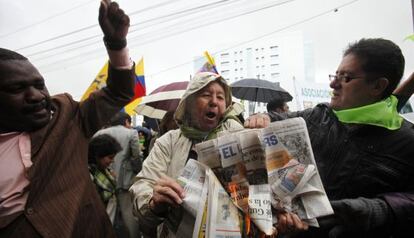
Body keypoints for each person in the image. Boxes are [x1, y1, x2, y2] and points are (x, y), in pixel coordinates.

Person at [245, 38, 414, 237]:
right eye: (335, 74)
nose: (333, 83)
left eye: (346, 77)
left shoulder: (407, 142)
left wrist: (371, 209)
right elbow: (279, 119)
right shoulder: (318, 116)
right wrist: (262, 117)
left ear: (377, 86)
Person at [0, 1, 135, 237]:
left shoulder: (67, 117)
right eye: (18, 88)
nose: (36, 96)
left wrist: (117, 44)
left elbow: (118, 92)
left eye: (39, 85)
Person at [129, 72, 244, 237]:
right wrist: (153, 203)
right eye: (206, 95)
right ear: (188, 104)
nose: (214, 101)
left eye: (220, 97)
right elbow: (142, 186)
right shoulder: (168, 142)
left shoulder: (238, 134)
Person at [94, 111, 141, 238]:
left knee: (106, 213)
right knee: (129, 215)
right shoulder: (131, 133)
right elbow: (136, 157)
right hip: (125, 180)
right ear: (126, 121)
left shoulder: (99, 133)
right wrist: (138, 172)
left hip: (102, 181)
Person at [88, 134, 122, 224]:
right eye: (110, 157)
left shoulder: (104, 170)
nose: (112, 161)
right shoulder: (89, 174)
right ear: (98, 156)